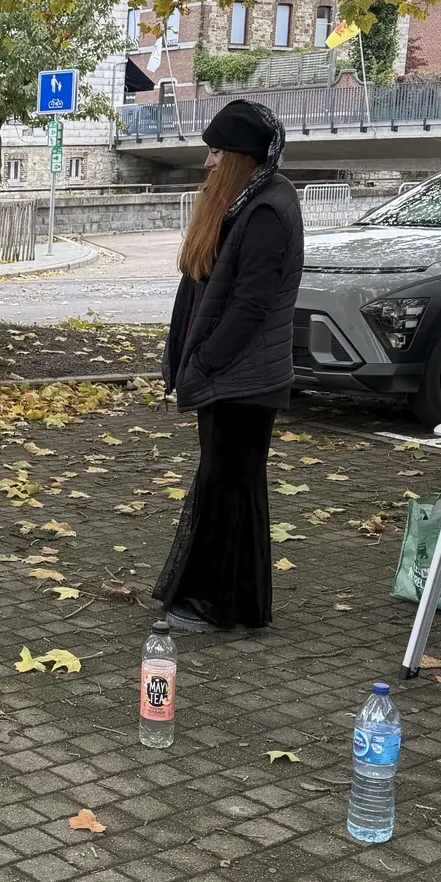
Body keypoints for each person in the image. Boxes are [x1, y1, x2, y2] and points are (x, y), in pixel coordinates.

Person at [155, 98, 304, 634]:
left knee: (228, 489)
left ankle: (216, 607)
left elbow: (250, 304)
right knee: (228, 486)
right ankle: (227, 604)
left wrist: (205, 361)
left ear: (240, 156)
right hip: (228, 377)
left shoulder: (267, 208)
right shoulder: (248, 201)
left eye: (216, 152)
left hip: (243, 380)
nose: (208, 163)